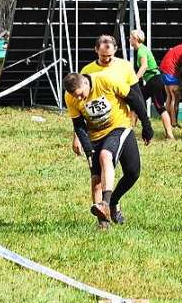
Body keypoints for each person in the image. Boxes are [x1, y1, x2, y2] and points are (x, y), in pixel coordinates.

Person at [64, 69, 153, 229]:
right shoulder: (70, 97)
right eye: (75, 96)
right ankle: (103, 222)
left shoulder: (106, 81)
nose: (79, 98)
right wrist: (88, 149)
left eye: (80, 94)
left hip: (119, 126)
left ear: (85, 82)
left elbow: (135, 98)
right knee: (96, 180)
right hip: (95, 135)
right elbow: (79, 125)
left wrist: (146, 126)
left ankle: (109, 202)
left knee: (130, 170)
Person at [129, 29, 174, 140]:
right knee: (136, 102)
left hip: (154, 81)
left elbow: (144, 66)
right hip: (153, 81)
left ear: (135, 39)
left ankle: (170, 135)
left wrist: (135, 79)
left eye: (130, 38)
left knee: (159, 107)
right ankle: (131, 131)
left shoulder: (141, 51)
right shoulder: (142, 49)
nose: (129, 40)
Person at [158, 42, 182, 128]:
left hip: (164, 68)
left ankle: (168, 122)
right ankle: (174, 123)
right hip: (170, 70)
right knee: (175, 98)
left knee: (169, 97)